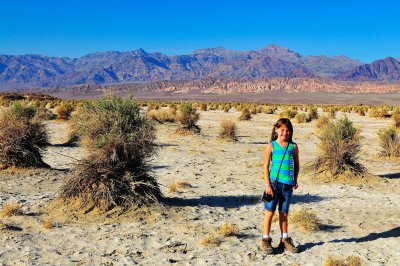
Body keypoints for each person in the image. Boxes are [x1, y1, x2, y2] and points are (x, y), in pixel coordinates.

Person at [261, 118, 299, 254]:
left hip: (287, 185)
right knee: (269, 212)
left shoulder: (293, 147)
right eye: (282, 130)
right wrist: (267, 185)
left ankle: (284, 240)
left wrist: (295, 179)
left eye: (288, 130)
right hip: (273, 184)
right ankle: (265, 239)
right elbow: (265, 166)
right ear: (276, 129)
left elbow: (296, 164)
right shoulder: (271, 146)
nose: (285, 133)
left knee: (284, 213)